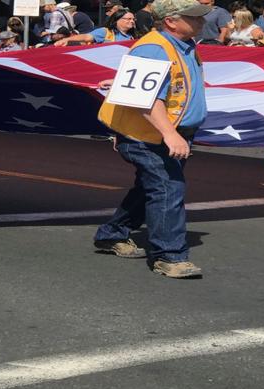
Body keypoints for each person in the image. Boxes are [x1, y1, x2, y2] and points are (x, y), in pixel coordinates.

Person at [93, 0, 208, 278]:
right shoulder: (155, 48)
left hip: (165, 133)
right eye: (194, 17)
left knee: (151, 187)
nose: (202, 21)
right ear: (171, 21)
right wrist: (170, 134)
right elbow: (142, 98)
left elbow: (151, 85)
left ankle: (112, 233)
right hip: (149, 135)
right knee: (168, 187)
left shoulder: (184, 45)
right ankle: (169, 256)